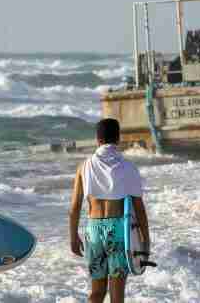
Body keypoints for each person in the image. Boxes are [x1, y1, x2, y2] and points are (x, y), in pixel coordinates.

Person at [70, 118, 151, 303]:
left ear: (97, 140)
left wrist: (73, 236)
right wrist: (145, 239)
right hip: (119, 232)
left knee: (96, 293)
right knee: (117, 297)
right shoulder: (128, 167)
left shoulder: (84, 166)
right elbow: (139, 208)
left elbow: (74, 207)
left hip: (93, 231)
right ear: (118, 139)